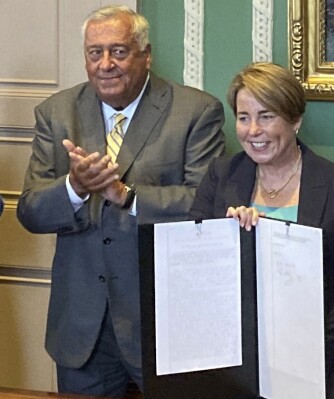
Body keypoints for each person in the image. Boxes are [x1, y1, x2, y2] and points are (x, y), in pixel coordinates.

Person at [17, 5, 225, 397]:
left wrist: (128, 197)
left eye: (119, 51)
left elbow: (205, 205)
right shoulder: (56, 113)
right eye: (95, 53)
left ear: (145, 55)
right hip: (83, 326)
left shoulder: (196, 112)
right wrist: (75, 188)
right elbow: (30, 211)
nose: (105, 64)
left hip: (163, 318)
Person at [189, 62, 334, 399]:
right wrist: (228, 238)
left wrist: (313, 349)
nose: (253, 131)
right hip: (234, 366)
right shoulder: (221, 176)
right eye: (244, 117)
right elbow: (196, 268)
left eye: (266, 116)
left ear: (295, 121)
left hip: (320, 365)